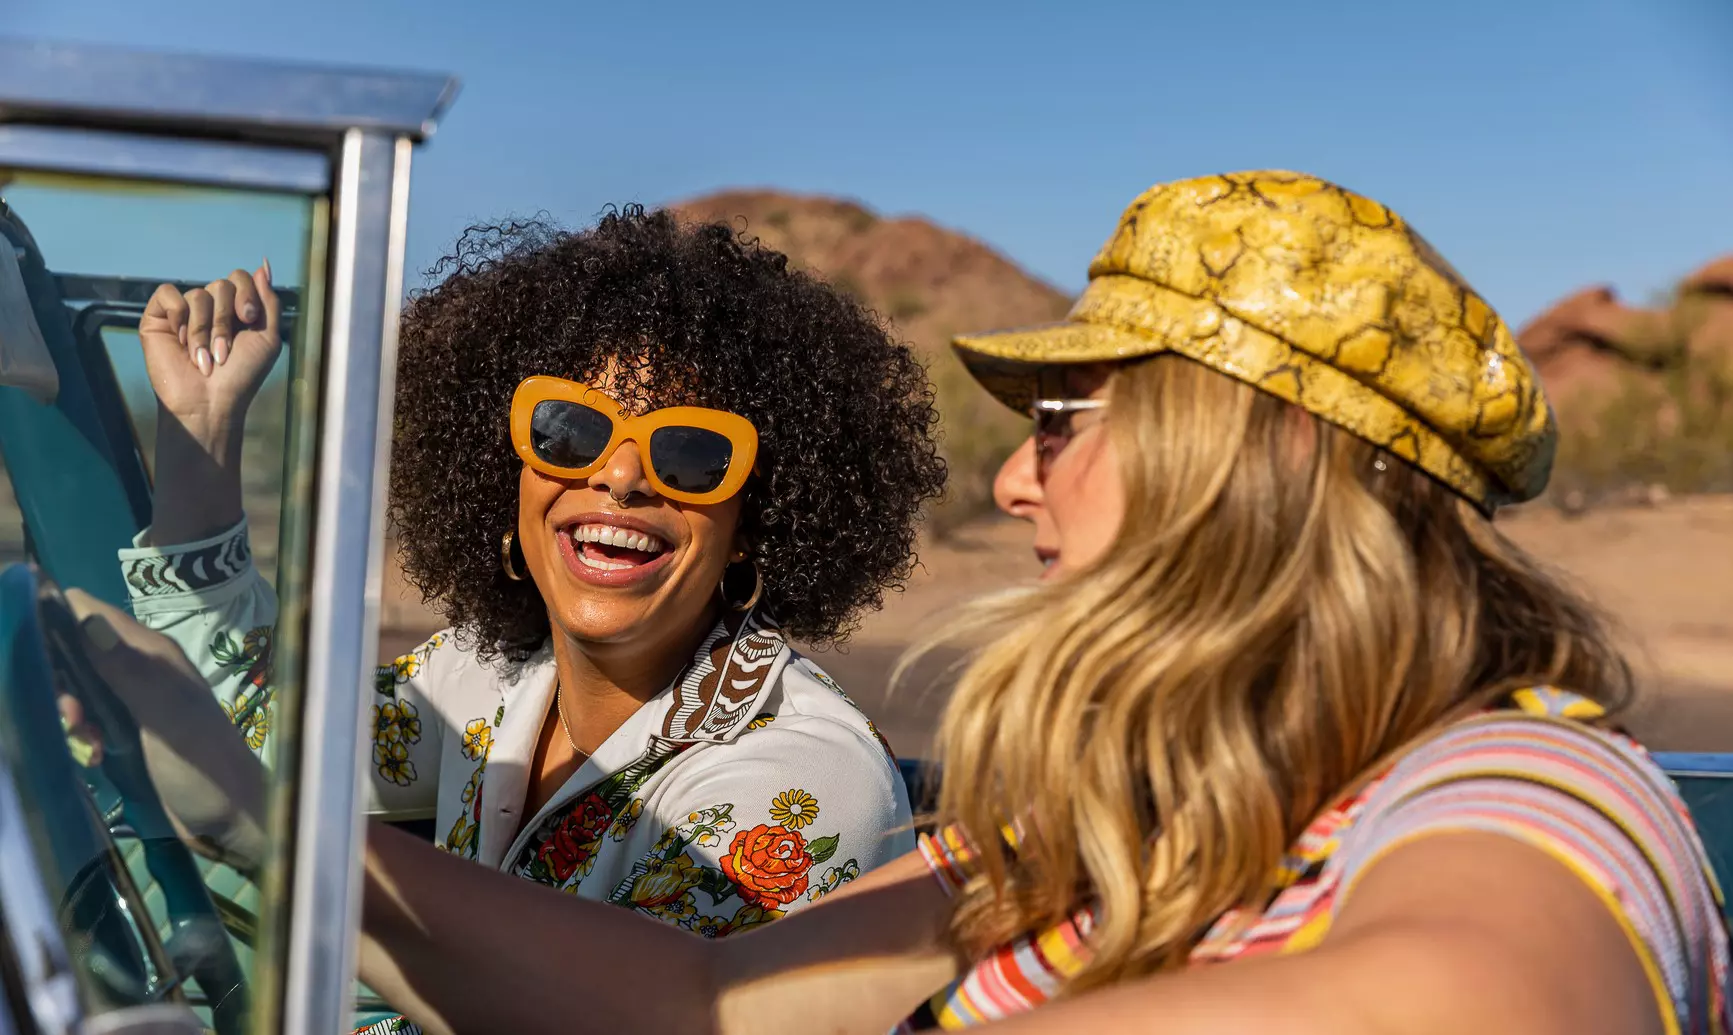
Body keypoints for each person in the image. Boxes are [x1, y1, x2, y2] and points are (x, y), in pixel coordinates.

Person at [69, 170, 1732, 1035]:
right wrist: (293, 837)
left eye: (1065, 429)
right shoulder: (1104, 840)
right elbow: (703, 1014)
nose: (1013, 483)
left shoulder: (1520, 787)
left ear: (1262, 456)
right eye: (566, 434)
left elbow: (1485, 1009)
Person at [107, 206, 944, 945]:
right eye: (570, 432)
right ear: (507, 474)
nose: (620, 477)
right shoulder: (485, 674)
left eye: (691, 452)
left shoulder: (796, 779)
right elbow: (258, 728)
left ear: (751, 526)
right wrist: (202, 432)